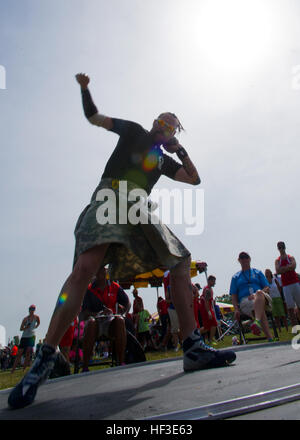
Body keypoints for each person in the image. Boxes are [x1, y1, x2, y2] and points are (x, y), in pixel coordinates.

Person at [8, 73, 236, 409]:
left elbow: (194, 179)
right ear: (153, 122)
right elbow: (94, 118)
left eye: (171, 126)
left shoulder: (162, 159)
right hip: (110, 199)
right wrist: (86, 90)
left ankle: (192, 347)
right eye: (162, 120)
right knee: (85, 268)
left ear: (173, 134)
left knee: (180, 261)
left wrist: (182, 151)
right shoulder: (132, 131)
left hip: (138, 208)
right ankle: (46, 357)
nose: (164, 126)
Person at [80, 266, 130, 371]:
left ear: (105, 271)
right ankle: (85, 366)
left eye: (102, 269)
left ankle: (120, 362)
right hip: (96, 323)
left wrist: (123, 313)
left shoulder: (114, 286)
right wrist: (97, 313)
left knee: (120, 320)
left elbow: (127, 302)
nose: (100, 272)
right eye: (98, 269)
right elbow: (84, 313)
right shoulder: (89, 289)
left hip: (110, 322)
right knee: (91, 323)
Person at [230, 252, 273, 340]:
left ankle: (256, 321)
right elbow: (233, 296)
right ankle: (269, 337)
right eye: (242, 257)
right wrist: (236, 309)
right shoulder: (235, 277)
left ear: (249, 259)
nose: (244, 259)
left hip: (262, 297)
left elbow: (267, 287)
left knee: (259, 293)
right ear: (239, 260)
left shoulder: (258, 272)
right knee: (260, 309)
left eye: (246, 257)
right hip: (246, 300)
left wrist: (255, 294)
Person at [275, 241, 300, 327]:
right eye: (279, 247)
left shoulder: (290, 257)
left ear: (285, 247)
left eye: (282, 247)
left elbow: (294, 266)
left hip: (295, 283)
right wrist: (288, 268)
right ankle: (295, 327)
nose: (281, 248)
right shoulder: (277, 260)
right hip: (286, 285)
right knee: (290, 308)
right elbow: (278, 271)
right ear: (278, 249)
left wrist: (283, 269)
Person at [11, 305, 40, 374]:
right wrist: (26, 327)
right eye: (31, 309)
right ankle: (13, 370)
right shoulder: (25, 319)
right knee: (19, 354)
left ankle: (24, 369)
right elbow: (21, 329)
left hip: (32, 337)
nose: (32, 310)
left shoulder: (36, 317)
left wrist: (36, 327)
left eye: (33, 309)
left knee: (28, 353)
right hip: (24, 337)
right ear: (29, 310)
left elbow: (38, 323)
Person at [265, 269, 288, 333]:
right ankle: (279, 329)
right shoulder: (265, 281)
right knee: (275, 316)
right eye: (266, 272)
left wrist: (280, 294)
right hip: (271, 299)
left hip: (278, 298)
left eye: (268, 272)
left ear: (270, 273)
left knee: (282, 314)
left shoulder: (274, 279)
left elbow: (279, 287)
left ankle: (287, 328)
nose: (267, 273)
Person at [199, 276, 218, 344]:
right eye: (213, 281)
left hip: (207, 308)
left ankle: (209, 339)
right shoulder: (207, 290)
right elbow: (206, 301)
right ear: (209, 281)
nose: (214, 283)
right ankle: (210, 339)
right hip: (206, 308)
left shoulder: (209, 289)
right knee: (213, 324)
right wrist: (209, 311)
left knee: (208, 326)